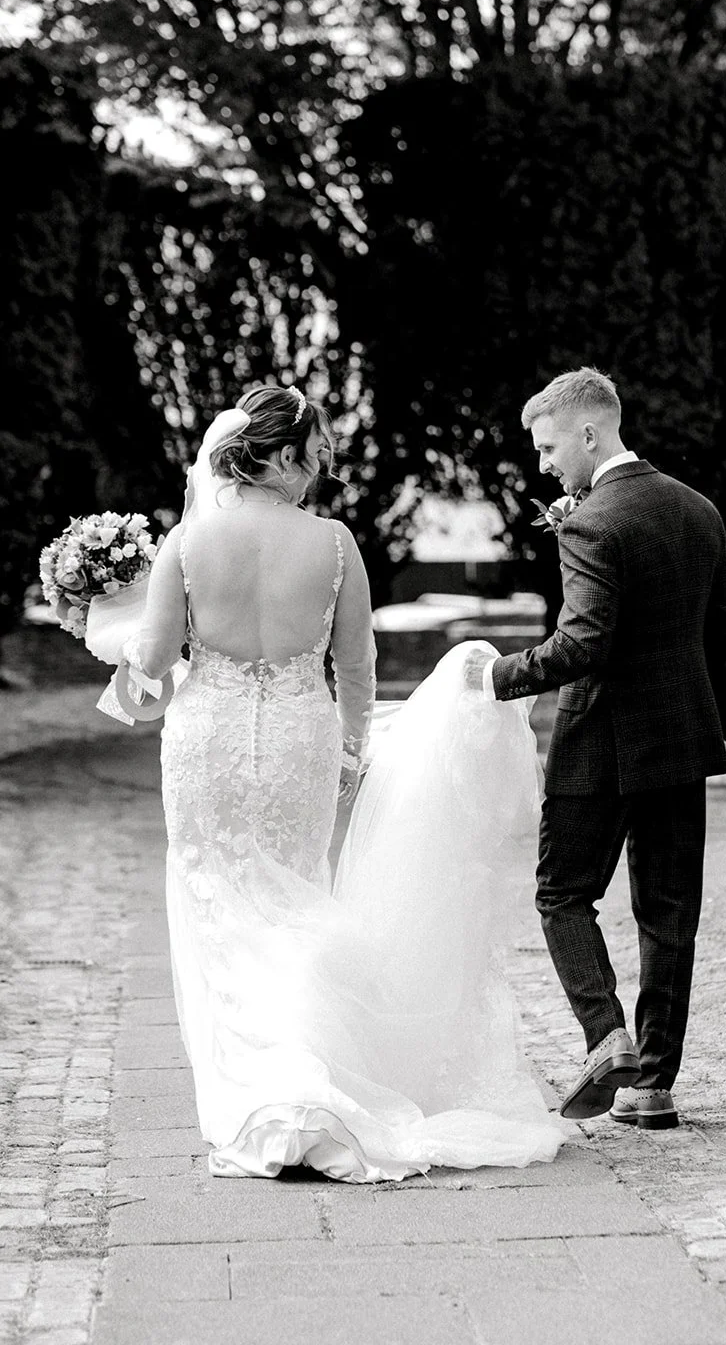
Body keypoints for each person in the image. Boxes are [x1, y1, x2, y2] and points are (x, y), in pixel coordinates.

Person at [128, 384, 568, 1180]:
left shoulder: (188, 543)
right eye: (314, 456)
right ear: (284, 455)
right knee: (294, 891)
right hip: (303, 732)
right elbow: (357, 670)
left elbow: (151, 670)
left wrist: (108, 645)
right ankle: (312, 1067)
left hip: (207, 742)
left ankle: (260, 1090)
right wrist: (348, 755)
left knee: (218, 902)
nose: (318, 472)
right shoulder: (334, 544)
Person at [467, 367, 726, 1130]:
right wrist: (709, 730)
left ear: (590, 432)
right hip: (684, 741)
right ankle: (652, 1087)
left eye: (550, 447)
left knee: (561, 894)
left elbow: (580, 643)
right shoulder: (698, 510)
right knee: (669, 914)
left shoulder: (592, 521)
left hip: (600, 747)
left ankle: (604, 1037)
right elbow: (719, 637)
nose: (545, 464)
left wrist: (496, 675)